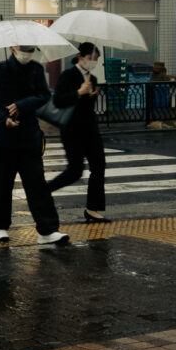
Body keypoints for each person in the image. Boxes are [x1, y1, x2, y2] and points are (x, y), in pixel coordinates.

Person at [0, 45, 69, 245]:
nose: (27, 53)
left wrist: (22, 104)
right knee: (1, 184)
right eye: (24, 48)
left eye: (31, 49)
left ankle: (47, 230)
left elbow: (44, 95)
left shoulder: (36, 69)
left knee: (37, 185)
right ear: (12, 48)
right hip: (1, 138)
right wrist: (3, 118)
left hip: (28, 137)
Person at [46, 42, 108, 222]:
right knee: (75, 171)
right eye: (91, 59)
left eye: (96, 60)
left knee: (99, 166)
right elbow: (58, 101)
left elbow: (88, 108)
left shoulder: (92, 79)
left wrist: (92, 94)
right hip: (72, 130)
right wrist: (79, 93)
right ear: (80, 57)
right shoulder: (68, 75)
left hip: (91, 130)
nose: (93, 63)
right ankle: (45, 190)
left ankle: (92, 208)